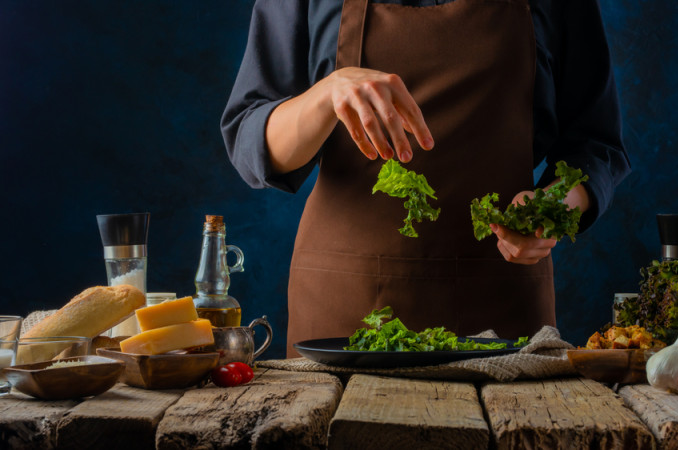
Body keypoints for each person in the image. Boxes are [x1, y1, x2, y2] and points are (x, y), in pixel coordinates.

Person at [221, 0, 630, 357]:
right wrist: (326, 94)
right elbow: (250, 138)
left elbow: (595, 145)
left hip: (501, 308)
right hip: (343, 319)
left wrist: (549, 210)